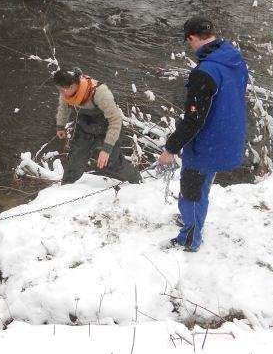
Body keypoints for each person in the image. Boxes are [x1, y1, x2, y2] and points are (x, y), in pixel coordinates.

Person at [158, 16, 249, 252]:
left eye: (188, 42)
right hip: (230, 134)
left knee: (192, 190)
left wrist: (170, 149)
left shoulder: (204, 72)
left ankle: (189, 238)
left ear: (192, 38)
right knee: (202, 186)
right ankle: (193, 221)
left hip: (208, 142)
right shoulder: (233, 58)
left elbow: (193, 120)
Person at [54, 68, 141, 185]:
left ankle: (137, 181)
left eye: (63, 89)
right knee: (74, 161)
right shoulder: (66, 92)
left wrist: (106, 149)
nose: (62, 93)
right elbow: (63, 107)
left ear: (73, 86)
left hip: (108, 127)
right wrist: (61, 125)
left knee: (111, 163)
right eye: (59, 89)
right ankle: (65, 188)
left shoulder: (100, 93)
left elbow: (115, 121)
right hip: (85, 125)